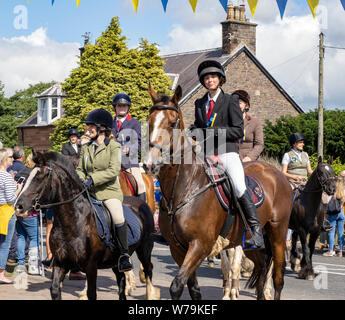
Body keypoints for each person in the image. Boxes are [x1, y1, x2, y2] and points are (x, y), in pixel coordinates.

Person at [190, 60, 264, 250]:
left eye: (213, 77)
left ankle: (255, 231)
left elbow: (238, 131)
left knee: (239, 187)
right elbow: (199, 128)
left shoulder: (230, 100)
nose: (210, 80)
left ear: (220, 79)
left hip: (228, 153)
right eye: (206, 78)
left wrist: (213, 132)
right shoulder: (200, 103)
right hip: (206, 155)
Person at [76, 108, 133, 272]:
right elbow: (81, 168)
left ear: (102, 128)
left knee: (117, 216)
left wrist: (93, 179)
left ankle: (124, 255)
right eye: (87, 127)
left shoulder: (113, 147)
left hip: (108, 192)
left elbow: (113, 170)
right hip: (88, 192)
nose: (88, 130)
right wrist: (80, 178)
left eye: (91, 126)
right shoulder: (86, 148)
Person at [111, 93, 146, 201]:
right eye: (119, 106)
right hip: (111, 162)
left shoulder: (135, 123)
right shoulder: (109, 123)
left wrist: (130, 149)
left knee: (140, 184)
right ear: (115, 107)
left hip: (129, 163)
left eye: (124, 106)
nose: (122, 108)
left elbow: (140, 142)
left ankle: (143, 209)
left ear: (128, 107)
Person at [0, 148, 23, 283]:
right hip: (7, 212)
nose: (12, 159)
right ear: (4, 159)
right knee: (5, 244)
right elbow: (10, 198)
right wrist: (18, 189)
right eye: (10, 157)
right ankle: (1, 274)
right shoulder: (7, 176)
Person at [233, 90, 264, 162]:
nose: (236, 105)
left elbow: (259, 144)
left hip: (250, 161)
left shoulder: (255, 122)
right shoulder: (226, 121)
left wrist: (249, 157)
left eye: (239, 103)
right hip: (231, 160)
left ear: (246, 105)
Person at [323, 177, 345, 257]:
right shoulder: (343, 192)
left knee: (331, 232)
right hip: (341, 213)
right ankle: (340, 251)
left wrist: (326, 216)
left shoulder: (331, 192)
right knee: (340, 232)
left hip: (333, 214)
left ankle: (331, 251)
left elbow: (326, 203)